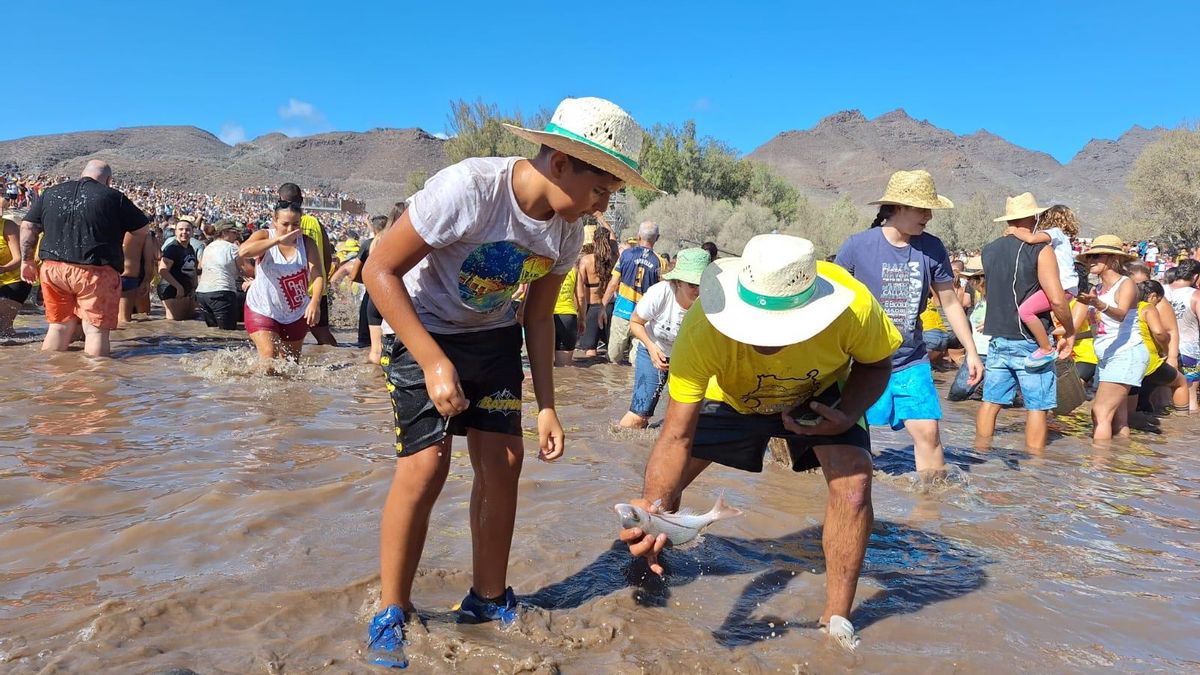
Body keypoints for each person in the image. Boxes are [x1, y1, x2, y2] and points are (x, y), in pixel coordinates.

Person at [361, 97, 651, 669]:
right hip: (424, 330)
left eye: (612, 195)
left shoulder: (566, 233)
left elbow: (537, 318)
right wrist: (431, 361)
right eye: (600, 188)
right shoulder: (469, 189)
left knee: (506, 463)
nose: (603, 205)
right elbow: (378, 269)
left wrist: (548, 405)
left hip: (493, 339)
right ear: (561, 162)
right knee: (426, 467)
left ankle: (487, 596)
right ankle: (392, 609)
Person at [619, 234, 901, 649]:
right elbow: (676, 434)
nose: (766, 339)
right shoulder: (703, 326)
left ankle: (837, 618)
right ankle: (646, 579)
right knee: (661, 497)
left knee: (855, 487)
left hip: (821, 394)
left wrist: (846, 411)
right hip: (729, 394)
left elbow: (877, 364)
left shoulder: (854, 306)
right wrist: (652, 510)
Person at [836, 170, 982, 474]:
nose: (928, 216)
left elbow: (950, 302)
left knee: (929, 434)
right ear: (898, 207)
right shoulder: (857, 246)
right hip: (860, 362)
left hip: (909, 360)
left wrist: (971, 351)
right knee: (850, 440)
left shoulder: (932, 248)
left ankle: (929, 511)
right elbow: (833, 301)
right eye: (922, 209)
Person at [18, 160, 150, 357]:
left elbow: (27, 226)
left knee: (58, 327)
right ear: (108, 180)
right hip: (95, 270)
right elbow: (142, 229)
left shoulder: (51, 193)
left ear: (83, 173)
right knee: (95, 330)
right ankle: (95, 384)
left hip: (53, 268)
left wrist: (26, 260)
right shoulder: (113, 197)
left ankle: (50, 382)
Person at [975, 193, 1075, 450]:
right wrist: (1070, 329)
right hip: (1030, 341)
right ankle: (1035, 468)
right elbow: (1056, 298)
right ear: (1034, 217)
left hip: (997, 338)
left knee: (990, 402)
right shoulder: (1041, 249)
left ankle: (981, 453)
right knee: (1037, 408)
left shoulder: (989, 249)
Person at [618, 247, 707, 428]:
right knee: (638, 417)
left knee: (685, 419)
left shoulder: (710, 301)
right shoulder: (660, 293)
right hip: (654, 351)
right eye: (692, 285)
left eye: (702, 284)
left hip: (688, 359)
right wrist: (651, 348)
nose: (698, 290)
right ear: (678, 282)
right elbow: (635, 323)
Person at [239, 196, 324, 367]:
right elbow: (243, 251)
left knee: (291, 365)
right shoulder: (263, 235)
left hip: (296, 311)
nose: (291, 229)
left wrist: (315, 302)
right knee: (269, 358)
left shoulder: (307, 243)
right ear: (275, 221)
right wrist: (277, 240)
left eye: (296, 224)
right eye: (285, 224)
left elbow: (317, 275)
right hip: (263, 308)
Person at [1075, 235, 1144, 441]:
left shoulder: (1126, 284)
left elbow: (1121, 313)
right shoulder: (1096, 289)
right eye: (1089, 257)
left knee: (1100, 413)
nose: (1091, 261)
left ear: (1114, 259)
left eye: (1097, 256)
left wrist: (1098, 304)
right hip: (1107, 356)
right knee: (1117, 419)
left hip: (1125, 353)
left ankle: (1099, 467)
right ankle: (1119, 465)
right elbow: (1098, 328)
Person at [1010, 204, 1080, 368]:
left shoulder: (1055, 233)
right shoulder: (1062, 238)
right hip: (1067, 287)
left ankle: (1045, 348)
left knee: (1025, 310)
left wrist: (1014, 231)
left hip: (1061, 287)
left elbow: (1031, 239)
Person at [603, 221, 662, 364]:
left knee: (613, 359)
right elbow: (662, 291)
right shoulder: (660, 262)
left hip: (622, 311)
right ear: (657, 238)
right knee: (637, 361)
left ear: (638, 236)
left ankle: (610, 385)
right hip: (644, 316)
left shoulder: (626, 255)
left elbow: (613, 283)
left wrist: (602, 306)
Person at [1132, 280, 1189, 414]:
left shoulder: (1128, 307)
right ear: (1152, 296)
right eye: (1158, 300)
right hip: (1149, 362)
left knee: (1136, 400)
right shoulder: (1147, 307)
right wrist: (1166, 349)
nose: (1158, 304)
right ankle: (1181, 421)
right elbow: (1159, 332)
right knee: (1180, 382)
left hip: (1129, 360)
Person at [294, 188, 337, 347]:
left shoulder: (280, 223)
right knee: (322, 334)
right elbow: (327, 255)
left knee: (287, 334)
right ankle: (340, 361)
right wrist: (324, 279)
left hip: (293, 289)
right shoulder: (315, 222)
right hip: (316, 287)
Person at [195, 220, 252, 330]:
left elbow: (200, 266)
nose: (237, 236)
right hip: (222, 292)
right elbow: (248, 270)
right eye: (234, 232)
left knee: (213, 332)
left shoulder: (208, 247)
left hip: (202, 294)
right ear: (225, 232)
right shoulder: (232, 248)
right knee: (228, 333)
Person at [948, 257, 988, 401]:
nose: (972, 283)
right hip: (976, 353)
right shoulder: (981, 300)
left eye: (976, 279)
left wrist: (993, 322)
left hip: (990, 354)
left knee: (991, 398)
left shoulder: (1000, 299)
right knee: (956, 395)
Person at [1163, 260, 1200, 412]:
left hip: (1164, 349)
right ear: (1196, 276)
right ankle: (1189, 434)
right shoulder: (1196, 296)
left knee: (1162, 397)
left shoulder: (1162, 291)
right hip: (1189, 350)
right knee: (1190, 397)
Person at [577, 225, 618, 358]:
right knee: (612, 351)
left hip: (591, 309)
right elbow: (613, 237)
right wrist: (601, 218)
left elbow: (580, 292)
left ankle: (590, 378)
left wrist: (580, 315)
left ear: (594, 241)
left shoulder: (586, 260)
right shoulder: (614, 259)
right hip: (609, 307)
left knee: (590, 350)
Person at [157, 219, 199, 320]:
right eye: (181, 229)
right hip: (171, 288)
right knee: (175, 322)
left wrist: (194, 287)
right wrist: (178, 287)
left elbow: (193, 269)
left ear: (192, 232)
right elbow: (162, 270)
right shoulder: (172, 248)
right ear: (175, 232)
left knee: (188, 319)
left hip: (186, 288)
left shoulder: (190, 248)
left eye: (188, 230)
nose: (184, 232)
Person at [552, 247, 585, 367]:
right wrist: (582, 319)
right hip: (568, 317)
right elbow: (581, 297)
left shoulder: (545, 267)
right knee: (564, 368)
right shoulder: (574, 270)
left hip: (546, 316)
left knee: (544, 365)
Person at [0, 214, 32, 335]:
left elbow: (19, 258)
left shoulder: (7, 226)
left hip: (14, 280)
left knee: (3, 327)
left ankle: (16, 350)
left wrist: (3, 268)